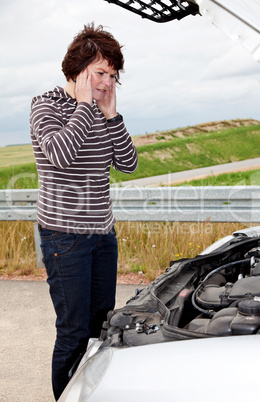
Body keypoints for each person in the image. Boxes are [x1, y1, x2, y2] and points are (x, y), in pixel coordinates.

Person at [30, 23, 138, 400]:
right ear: (77, 70)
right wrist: (83, 106)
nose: (108, 83)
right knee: (74, 332)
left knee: (101, 327)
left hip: (102, 235)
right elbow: (61, 155)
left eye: (112, 75)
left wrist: (110, 116)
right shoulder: (46, 104)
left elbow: (128, 163)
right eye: (100, 73)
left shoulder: (102, 109)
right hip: (65, 238)